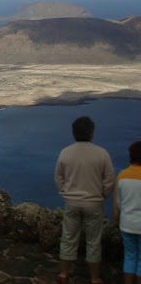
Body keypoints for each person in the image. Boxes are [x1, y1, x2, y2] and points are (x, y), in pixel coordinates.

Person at [54, 116, 115, 284]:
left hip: (72, 203)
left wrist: (64, 192)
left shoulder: (65, 152)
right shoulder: (101, 153)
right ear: (91, 133)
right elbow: (110, 179)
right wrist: (103, 194)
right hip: (94, 203)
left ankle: (64, 274)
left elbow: (58, 177)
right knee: (94, 241)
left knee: (68, 237)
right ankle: (95, 278)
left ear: (74, 133)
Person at [115, 141, 141, 284]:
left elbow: (117, 203)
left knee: (130, 256)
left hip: (127, 223)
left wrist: (117, 219)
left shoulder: (122, 175)